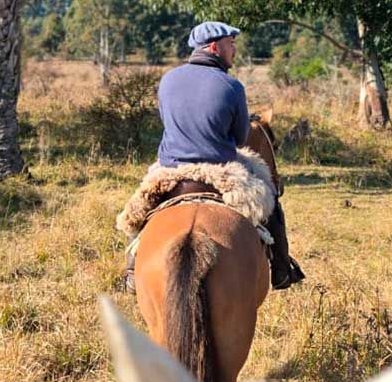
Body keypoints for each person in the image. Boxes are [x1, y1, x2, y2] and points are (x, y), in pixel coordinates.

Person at [124, 21, 304, 291]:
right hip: (221, 170)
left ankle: (131, 269)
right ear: (214, 47)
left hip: (171, 168)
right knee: (270, 195)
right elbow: (240, 138)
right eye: (230, 44)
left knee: (139, 209)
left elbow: (167, 121)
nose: (234, 49)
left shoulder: (168, 80)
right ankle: (281, 268)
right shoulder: (232, 86)